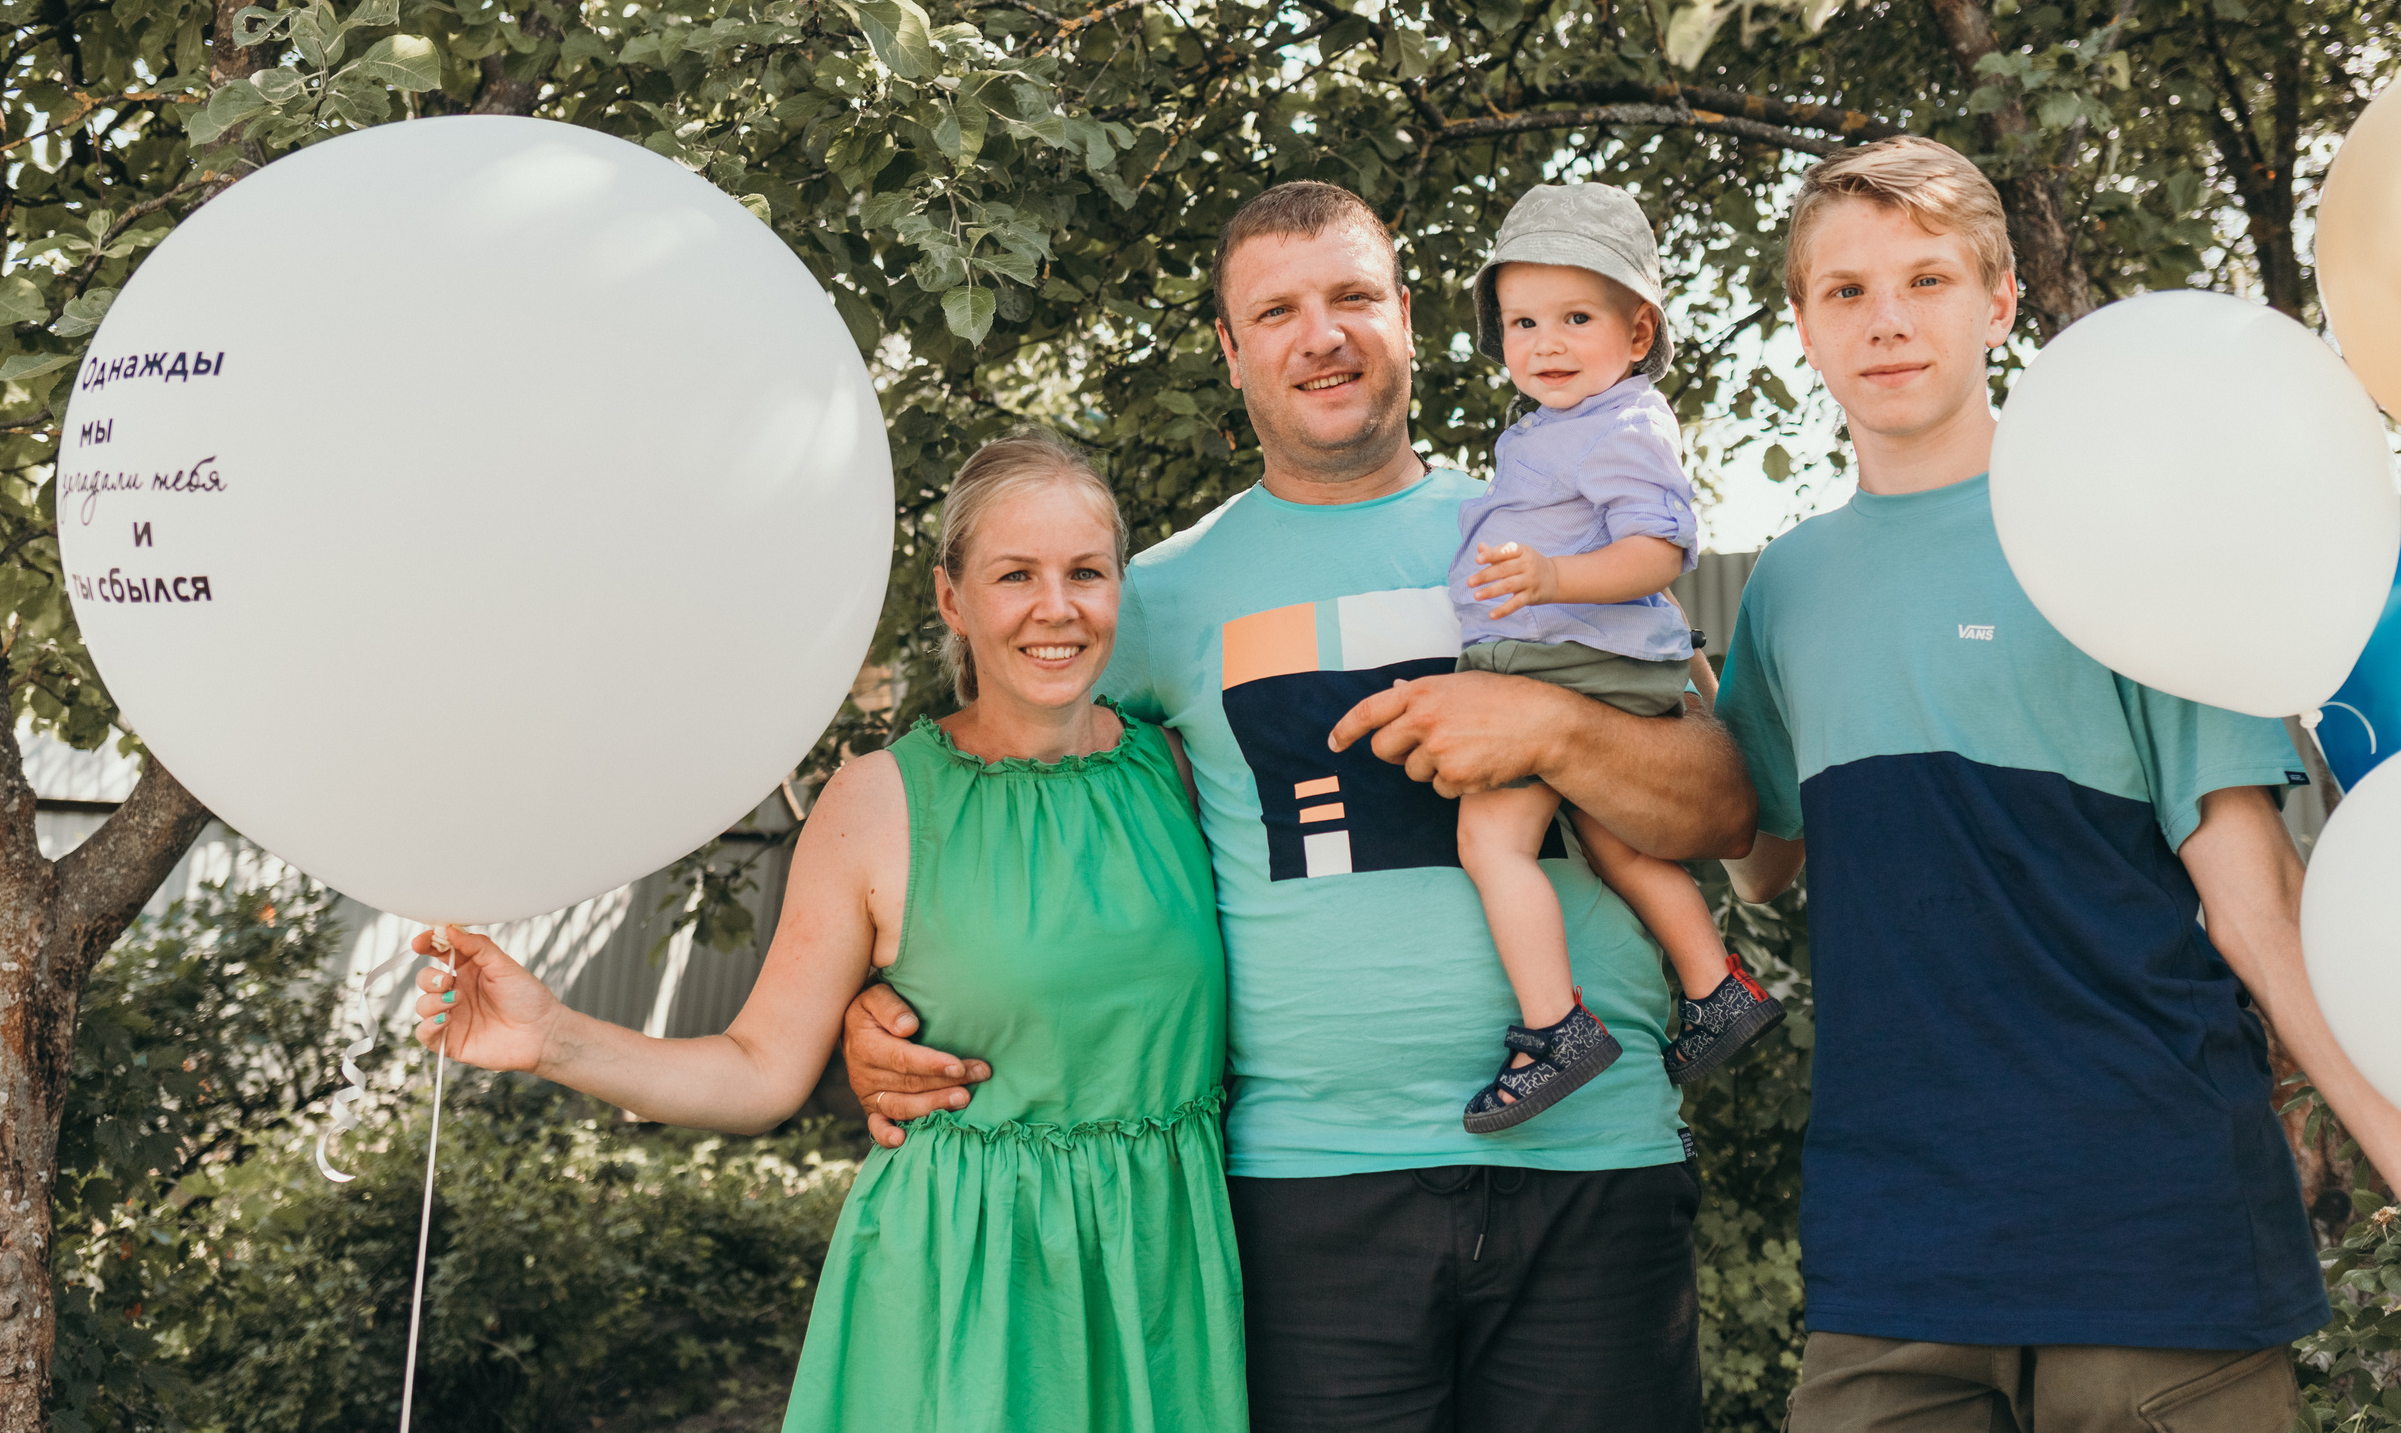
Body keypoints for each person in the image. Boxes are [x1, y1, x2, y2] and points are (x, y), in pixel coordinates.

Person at [844, 181, 1760, 1432]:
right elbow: (1013, 816)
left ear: (1408, 322)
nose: (1317, 335)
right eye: (1274, 310)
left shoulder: (1550, 535)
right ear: (1229, 351)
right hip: (1307, 1190)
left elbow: (1723, 808)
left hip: (1596, 1163)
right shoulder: (1152, 602)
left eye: (1350, 298)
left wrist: (1548, 725)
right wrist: (888, 1004)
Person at [1705, 135, 2401, 1428]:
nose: (1888, 320)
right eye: (1846, 289)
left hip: (2156, 1243)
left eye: (1926, 278)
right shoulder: (1787, 594)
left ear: (1999, 299)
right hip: (1894, 1262)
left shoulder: (2123, 532)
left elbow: (2263, 917)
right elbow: (1756, 855)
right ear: (1801, 320)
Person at [406, 430, 1243, 1433]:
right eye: (1014, 574)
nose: (1055, 609)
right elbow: (760, 1070)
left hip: (1162, 1275)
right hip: (962, 1295)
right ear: (952, 598)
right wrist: (553, 1037)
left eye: (1085, 573)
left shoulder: (1182, 772)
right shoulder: (879, 802)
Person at [1448, 182, 1784, 1133]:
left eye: (1575, 317)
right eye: (1522, 321)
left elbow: (1659, 551)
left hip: (1563, 661)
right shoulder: (1562, 427)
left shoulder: (1621, 424)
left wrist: (1554, 577)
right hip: (1584, 657)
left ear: (1638, 334)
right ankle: (1715, 986)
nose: (1545, 343)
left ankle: (1557, 1028)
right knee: (1616, 835)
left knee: (1492, 840)